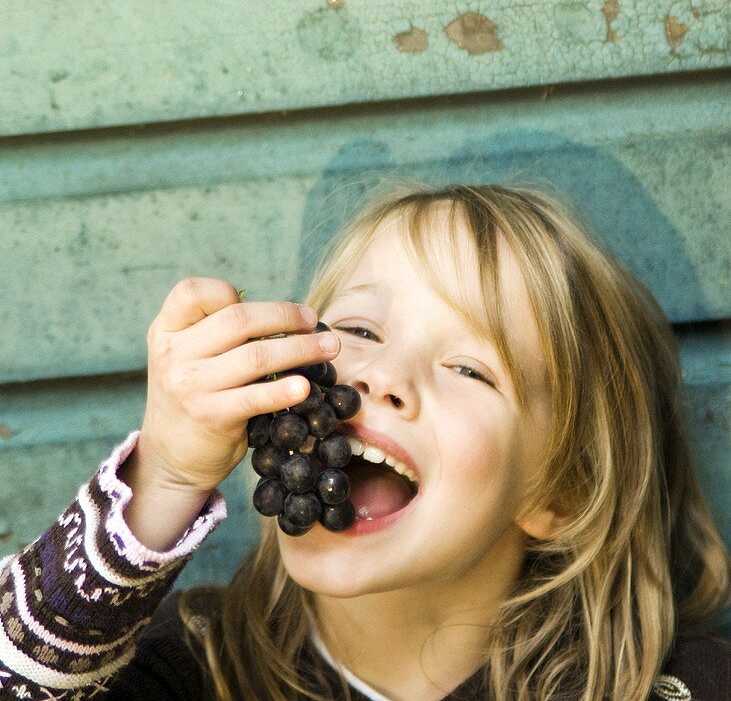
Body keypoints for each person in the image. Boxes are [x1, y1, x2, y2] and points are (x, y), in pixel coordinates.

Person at [1, 183, 729, 700]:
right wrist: (162, 479)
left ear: (561, 491)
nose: (381, 376)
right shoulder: (190, 665)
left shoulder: (672, 686)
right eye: (358, 332)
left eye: (469, 367)